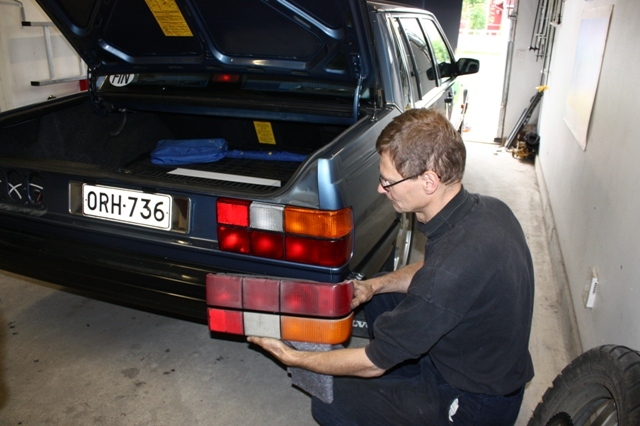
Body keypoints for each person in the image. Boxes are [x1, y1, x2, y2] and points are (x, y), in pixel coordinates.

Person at [248, 108, 535, 425]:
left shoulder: (449, 272)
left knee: (331, 402)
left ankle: (406, 381)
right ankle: (403, 371)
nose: (380, 189)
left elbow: (372, 361)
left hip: (473, 401)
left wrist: (294, 357)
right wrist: (373, 286)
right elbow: (431, 269)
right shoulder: (489, 210)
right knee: (381, 295)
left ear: (429, 181)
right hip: (475, 354)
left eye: (388, 181)